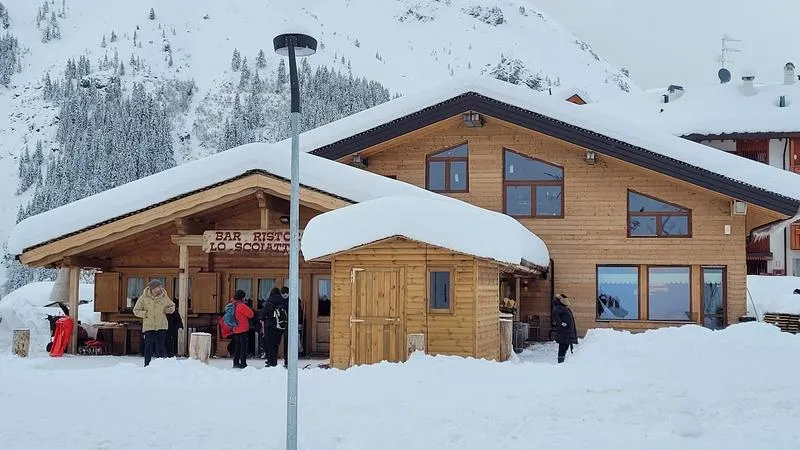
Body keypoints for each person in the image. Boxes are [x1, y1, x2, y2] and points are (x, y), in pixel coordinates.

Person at [132, 280, 175, 367]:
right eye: (158, 287)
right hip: (149, 326)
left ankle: (162, 366)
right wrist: (145, 314)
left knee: (161, 347)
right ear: (153, 288)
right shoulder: (143, 298)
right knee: (148, 347)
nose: (160, 288)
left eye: (160, 286)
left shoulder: (164, 297)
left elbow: (172, 305)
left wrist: (169, 310)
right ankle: (147, 366)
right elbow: (136, 310)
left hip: (162, 326)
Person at [259, 287, 287, 367]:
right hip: (280, 326)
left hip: (270, 326)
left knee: (270, 345)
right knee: (276, 345)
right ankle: (274, 361)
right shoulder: (283, 301)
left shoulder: (270, 301)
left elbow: (263, 315)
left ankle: (272, 362)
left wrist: (262, 318)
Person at [228, 290, 254, 368]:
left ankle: (236, 362)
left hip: (235, 328)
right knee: (243, 347)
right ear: (242, 297)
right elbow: (251, 314)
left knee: (238, 346)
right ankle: (243, 363)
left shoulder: (233, 304)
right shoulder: (241, 305)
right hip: (243, 329)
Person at [280, 287, 304, 367]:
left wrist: (298, 322)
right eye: (283, 294)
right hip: (286, 324)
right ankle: (287, 361)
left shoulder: (294, 300)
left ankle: (291, 360)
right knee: (287, 342)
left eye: (286, 293)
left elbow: (299, 312)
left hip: (291, 324)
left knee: (291, 343)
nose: (284, 295)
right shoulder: (284, 300)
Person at [552, 293, 578, 364]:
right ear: (561, 300)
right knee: (563, 347)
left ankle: (562, 362)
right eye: (565, 299)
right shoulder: (559, 307)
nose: (567, 300)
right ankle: (560, 362)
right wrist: (561, 323)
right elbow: (555, 313)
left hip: (567, 331)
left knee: (565, 347)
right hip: (564, 332)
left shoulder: (563, 307)